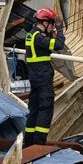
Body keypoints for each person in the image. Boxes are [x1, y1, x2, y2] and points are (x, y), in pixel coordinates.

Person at [23, 8, 65, 147]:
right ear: (46, 22)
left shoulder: (32, 34)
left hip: (34, 77)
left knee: (34, 109)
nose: (53, 26)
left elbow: (43, 48)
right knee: (45, 109)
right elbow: (58, 45)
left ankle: (28, 143)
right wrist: (59, 31)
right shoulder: (39, 36)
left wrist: (51, 35)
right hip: (43, 78)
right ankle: (39, 144)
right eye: (52, 24)